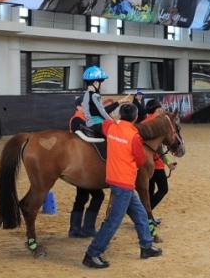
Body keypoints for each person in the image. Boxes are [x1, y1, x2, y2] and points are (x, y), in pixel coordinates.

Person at [82, 103, 162, 268]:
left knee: (140, 213)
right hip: (124, 182)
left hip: (114, 179)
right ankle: (92, 253)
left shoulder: (111, 127)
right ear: (135, 118)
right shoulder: (134, 136)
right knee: (113, 221)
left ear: (120, 115)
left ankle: (146, 246)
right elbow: (141, 160)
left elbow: (105, 123)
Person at [68, 94, 123, 238]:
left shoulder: (84, 117)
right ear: (79, 107)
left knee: (81, 197)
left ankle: (75, 228)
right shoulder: (77, 120)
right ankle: (87, 227)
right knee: (97, 195)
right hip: (84, 164)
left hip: (84, 164)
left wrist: (118, 103)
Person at [143, 99, 177, 234]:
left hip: (145, 164)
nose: (162, 110)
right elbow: (159, 148)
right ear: (157, 110)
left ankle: (147, 216)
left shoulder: (144, 122)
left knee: (148, 191)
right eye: (160, 108)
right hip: (156, 163)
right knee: (163, 189)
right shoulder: (158, 124)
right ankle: (146, 216)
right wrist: (168, 162)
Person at [80, 65, 114, 142]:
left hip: (88, 123)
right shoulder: (95, 96)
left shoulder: (86, 94)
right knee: (116, 136)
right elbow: (102, 112)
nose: (101, 86)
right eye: (100, 83)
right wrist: (112, 121)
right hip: (96, 123)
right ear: (95, 83)